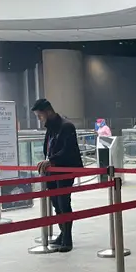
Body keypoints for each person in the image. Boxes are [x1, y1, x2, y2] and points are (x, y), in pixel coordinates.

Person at [32, 99, 83, 252]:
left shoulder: (66, 126)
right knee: (56, 203)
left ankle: (67, 238)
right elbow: (48, 148)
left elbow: (68, 151)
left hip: (65, 170)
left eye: (40, 116)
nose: (40, 120)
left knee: (63, 203)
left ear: (48, 112)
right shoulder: (52, 128)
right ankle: (62, 233)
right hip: (52, 172)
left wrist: (51, 160)